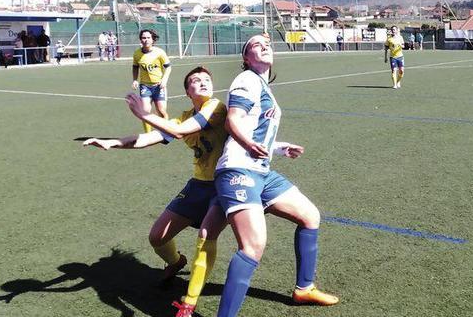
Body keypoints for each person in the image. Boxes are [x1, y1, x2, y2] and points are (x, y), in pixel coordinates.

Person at [207, 33, 338, 317]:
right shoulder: (247, 80)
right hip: (238, 170)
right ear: (245, 58)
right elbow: (234, 121)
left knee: (309, 216)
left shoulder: (261, 84)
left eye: (267, 44)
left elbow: (255, 129)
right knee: (253, 245)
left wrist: (278, 148)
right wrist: (246, 144)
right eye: (255, 44)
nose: (264, 46)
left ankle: (304, 289)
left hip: (261, 171)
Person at [84, 66, 230, 312]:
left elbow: (179, 131)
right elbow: (150, 138)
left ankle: (188, 303)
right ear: (187, 91)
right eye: (196, 80)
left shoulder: (216, 107)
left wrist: (145, 115)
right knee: (157, 237)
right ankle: (176, 262)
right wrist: (112, 143)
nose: (203, 82)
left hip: (223, 185)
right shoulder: (183, 116)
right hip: (197, 185)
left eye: (207, 79)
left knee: (205, 238)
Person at [132, 29, 172, 133]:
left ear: (153, 39)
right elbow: (135, 67)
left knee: (162, 111)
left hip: (159, 86)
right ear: (140, 39)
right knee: (145, 111)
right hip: (145, 86)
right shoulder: (137, 54)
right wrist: (135, 80)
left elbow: (168, 67)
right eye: (143, 38)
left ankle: (165, 133)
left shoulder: (159, 52)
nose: (146, 40)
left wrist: (164, 80)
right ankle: (148, 134)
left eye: (148, 38)